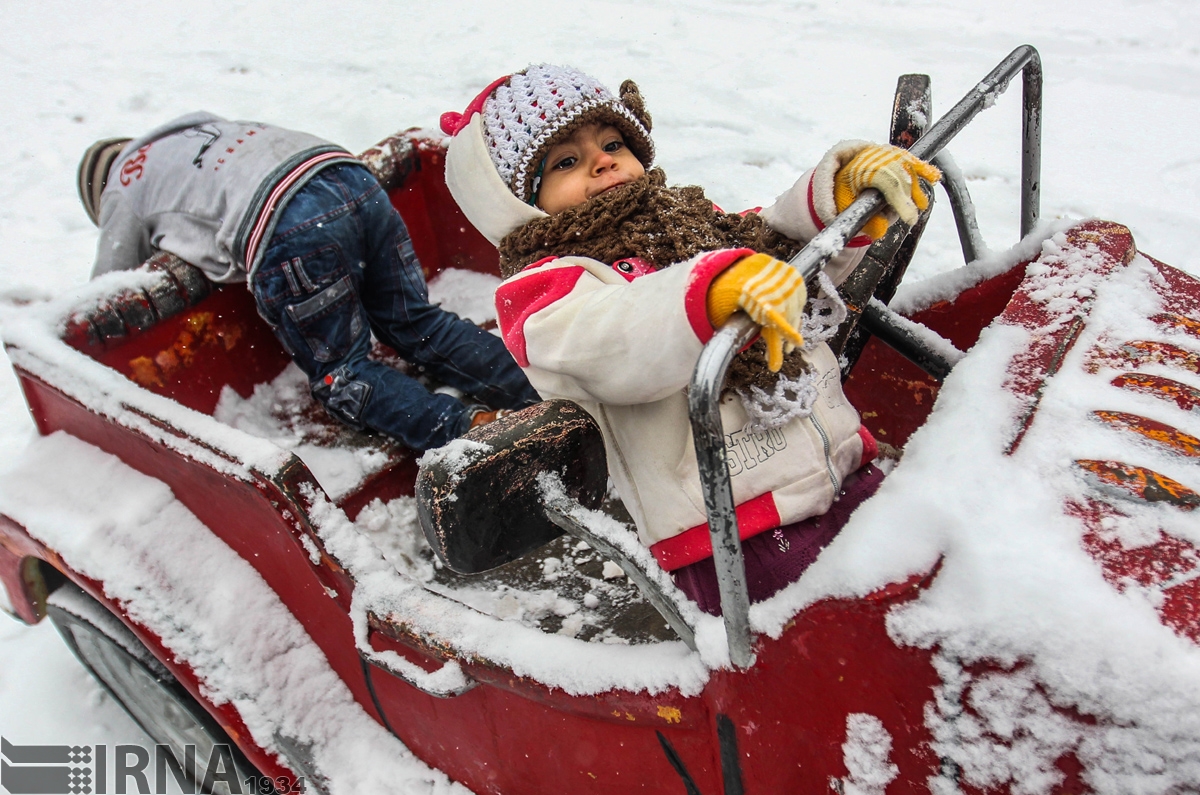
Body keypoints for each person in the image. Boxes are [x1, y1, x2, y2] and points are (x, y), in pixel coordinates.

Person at [439, 65, 940, 613]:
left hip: (840, 461)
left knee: (925, 588)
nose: (603, 160)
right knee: (844, 635)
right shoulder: (546, 293)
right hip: (734, 531)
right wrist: (709, 294)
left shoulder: (685, 222)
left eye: (611, 142)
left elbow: (772, 242)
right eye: (565, 162)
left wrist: (832, 201)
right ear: (518, 202)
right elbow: (615, 336)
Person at [78, 112, 539, 451]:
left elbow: (111, 287)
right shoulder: (197, 130)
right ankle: (545, 391)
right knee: (418, 323)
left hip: (289, 221)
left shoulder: (121, 181)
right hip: (350, 177)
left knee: (344, 376)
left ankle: (477, 432)